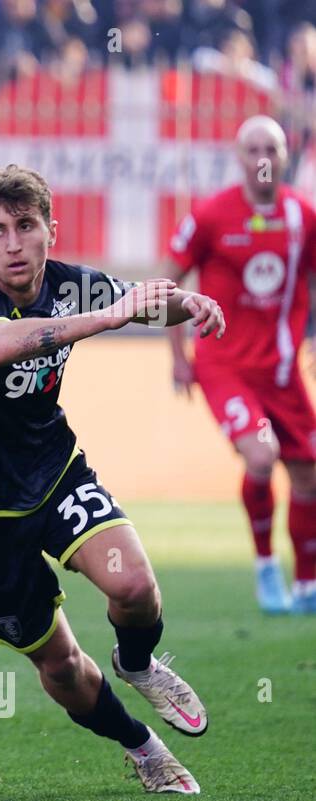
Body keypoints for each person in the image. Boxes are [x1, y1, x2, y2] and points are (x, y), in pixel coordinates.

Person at [0, 164, 225, 794]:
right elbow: (4, 345)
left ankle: (138, 663)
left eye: (25, 226)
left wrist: (185, 304)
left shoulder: (70, 286)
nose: (11, 243)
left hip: (52, 472)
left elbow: (142, 304)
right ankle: (143, 748)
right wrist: (111, 317)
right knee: (60, 666)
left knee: (136, 587)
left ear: (50, 232)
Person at [166, 115, 316, 614]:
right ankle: (267, 567)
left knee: (308, 476)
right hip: (223, 364)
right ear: (239, 158)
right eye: (253, 150)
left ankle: (307, 585)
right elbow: (169, 282)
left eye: (271, 150)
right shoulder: (211, 216)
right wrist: (178, 356)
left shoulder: (303, 216)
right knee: (261, 455)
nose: (263, 160)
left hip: (282, 370)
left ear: (285, 155)